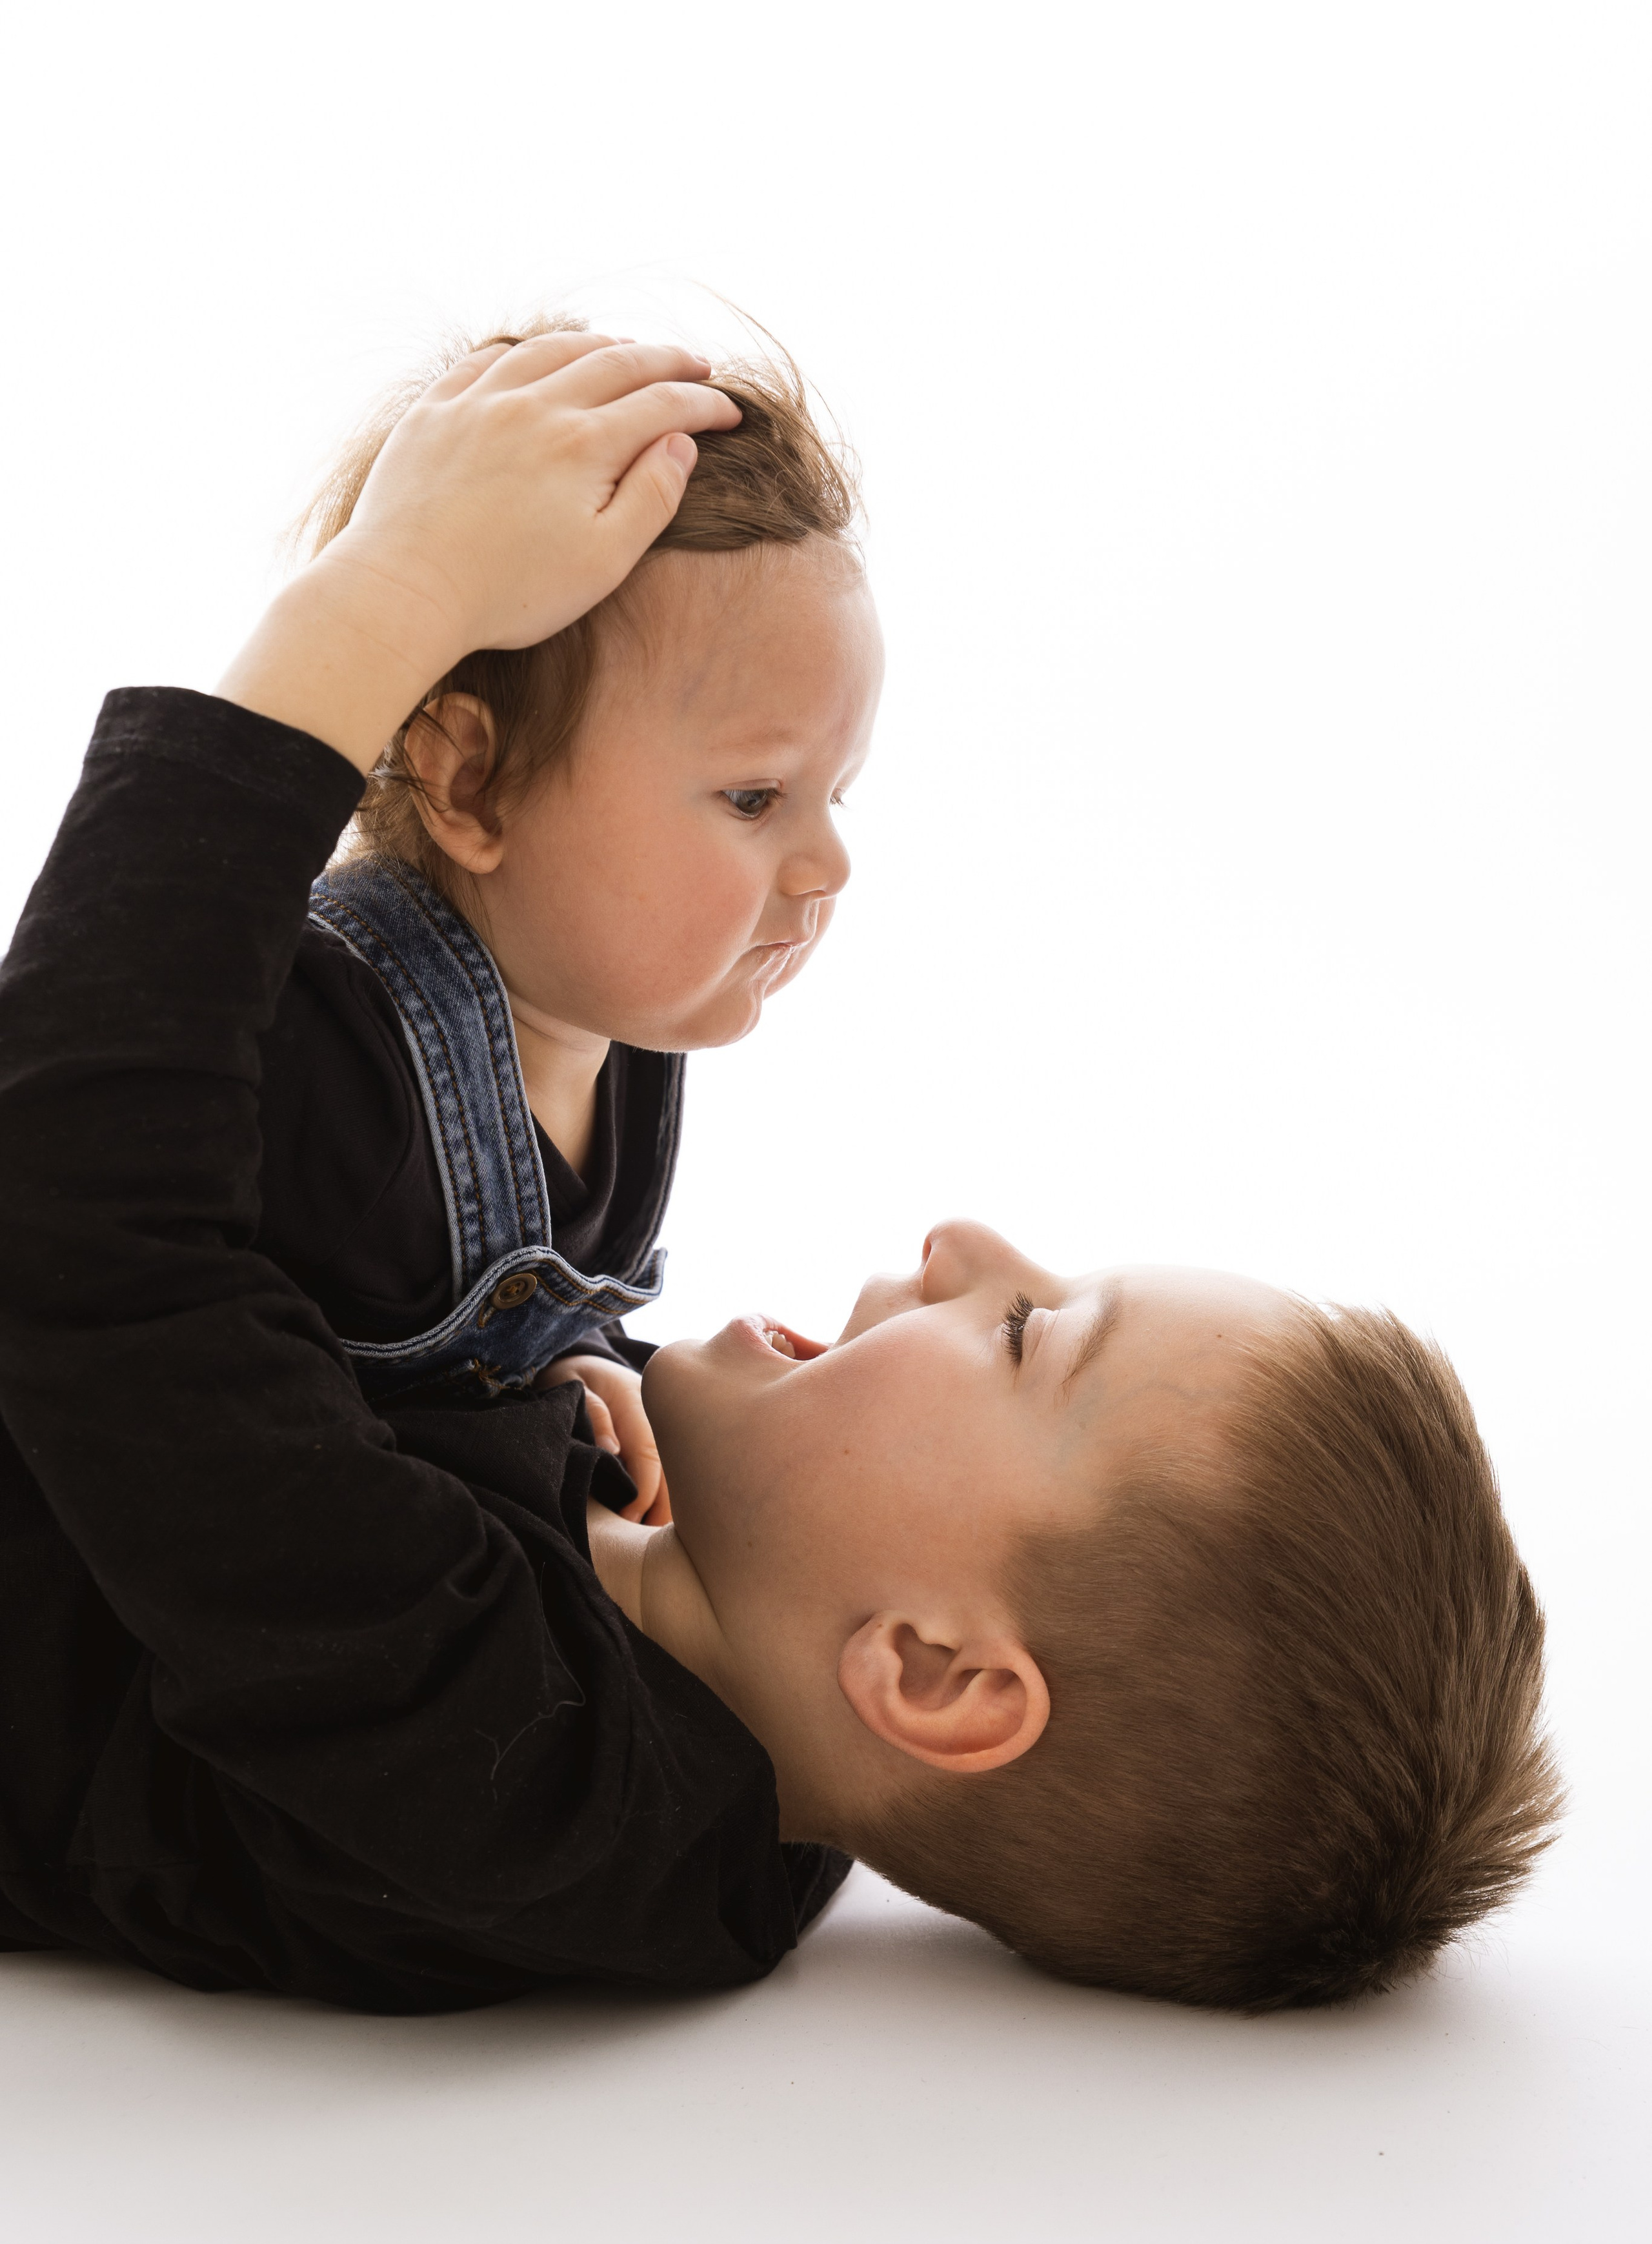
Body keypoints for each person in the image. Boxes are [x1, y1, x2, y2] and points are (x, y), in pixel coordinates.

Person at [0, 341, 1559, 2015]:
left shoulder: (517, 1776)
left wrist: (374, 609)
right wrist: (510, 1416)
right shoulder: (723, 1676)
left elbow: (93, 1250)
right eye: (758, 795)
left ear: (933, 1672)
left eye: (1028, 1333)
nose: (966, 1237)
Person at [257, 318, 878, 1522]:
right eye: (755, 798)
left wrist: (558, 1371)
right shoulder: (315, 1039)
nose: (830, 867)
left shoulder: (620, 1021)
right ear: (473, 782)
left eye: (835, 795)